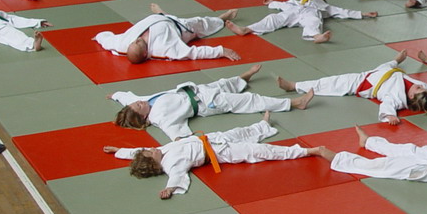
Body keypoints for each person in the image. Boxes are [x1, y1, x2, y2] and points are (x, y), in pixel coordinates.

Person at [104, 114, 322, 199]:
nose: (152, 148)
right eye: (150, 152)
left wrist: (118, 151)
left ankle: (263, 126)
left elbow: (138, 151)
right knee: (259, 151)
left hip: (212, 138)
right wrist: (169, 189)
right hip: (218, 153)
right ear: (153, 163)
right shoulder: (171, 165)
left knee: (242, 132)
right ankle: (305, 151)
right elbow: (177, 178)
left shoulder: (161, 151)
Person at [110, 63, 314, 141]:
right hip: (208, 104)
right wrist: (180, 140)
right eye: (138, 107)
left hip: (199, 90)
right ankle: (294, 103)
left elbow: (127, 97)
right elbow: (173, 133)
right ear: (143, 117)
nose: (139, 102)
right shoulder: (159, 118)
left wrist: (115, 95)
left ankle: (244, 77)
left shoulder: (145, 102)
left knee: (225, 83)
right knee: (250, 101)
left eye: (136, 103)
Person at [278, 50, 427, 124]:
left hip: (362, 82)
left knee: (331, 82)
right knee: (388, 66)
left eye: (418, 89)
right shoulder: (424, 89)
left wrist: (389, 116)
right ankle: (396, 60)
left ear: (411, 97)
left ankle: (294, 86)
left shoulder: (396, 98)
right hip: (385, 71)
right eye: (423, 88)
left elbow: (386, 106)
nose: (421, 86)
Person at [93, 3, 241, 64]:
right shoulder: (163, 49)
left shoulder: (122, 45)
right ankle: (222, 19)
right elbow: (193, 53)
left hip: (160, 19)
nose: (136, 40)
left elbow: (107, 40)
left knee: (168, 17)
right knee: (201, 24)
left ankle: (162, 13)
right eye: (138, 44)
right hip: (181, 27)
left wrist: (98, 36)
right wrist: (220, 51)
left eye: (133, 42)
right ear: (145, 53)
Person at [225, 0, 378, 44]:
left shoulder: (324, 6)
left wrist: (362, 14)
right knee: (273, 18)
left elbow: (343, 11)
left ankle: (317, 36)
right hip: (293, 11)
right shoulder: (297, 2)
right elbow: (283, 5)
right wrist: (273, 3)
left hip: (310, 13)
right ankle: (246, 29)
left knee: (314, 22)